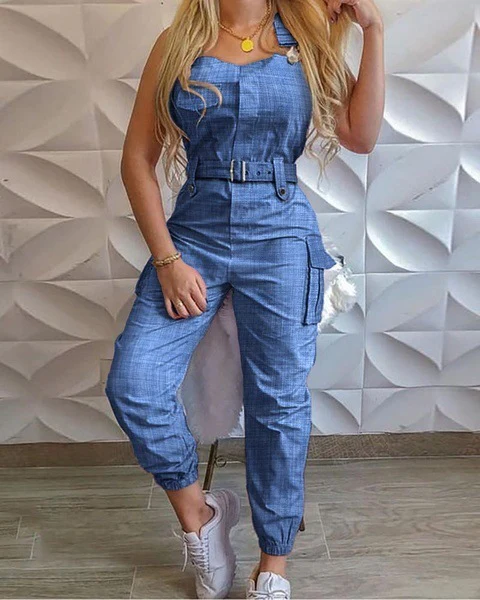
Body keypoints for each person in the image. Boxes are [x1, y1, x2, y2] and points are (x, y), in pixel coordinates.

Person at [104, 0, 384, 597]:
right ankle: (201, 516)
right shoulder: (177, 43)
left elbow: (360, 136)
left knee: (277, 401)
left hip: (279, 230)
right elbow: (136, 160)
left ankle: (272, 565)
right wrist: (168, 261)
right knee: (135, 383)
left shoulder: (307, 38)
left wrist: (374, 30)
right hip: (194, 233)